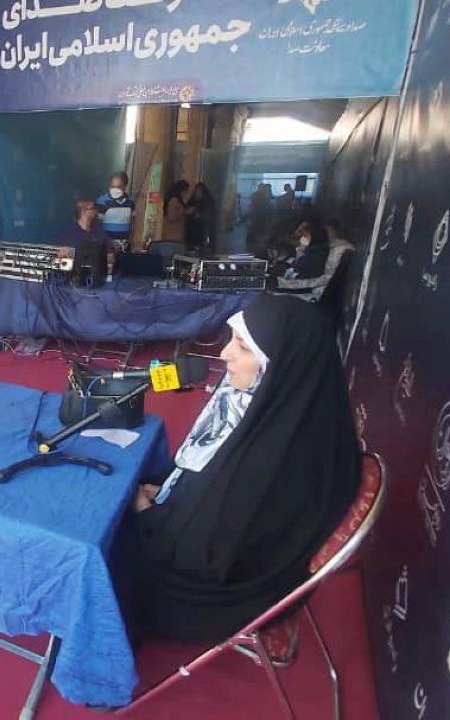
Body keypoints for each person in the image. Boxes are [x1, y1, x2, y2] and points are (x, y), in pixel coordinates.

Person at [116, 294, 361, 643]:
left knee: (104, 555)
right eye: (232, 339)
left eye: (243, 347)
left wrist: (147, 514)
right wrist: (174, 490)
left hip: (214, 595)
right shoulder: (292, 408)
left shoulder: (273, 461)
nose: (224, 353)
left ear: (279, 364)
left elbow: (201, 556)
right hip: (229, 549)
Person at [96, 172, 137, 247]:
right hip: (107, 245)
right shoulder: (103, 201)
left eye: (118, 187)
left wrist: (131, 240)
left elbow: (133, 222)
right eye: (112, 186)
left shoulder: (131, 201)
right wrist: (109, 242)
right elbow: (98, 225)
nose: (115, 189)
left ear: (125, 186)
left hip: (125, 244)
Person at [184, 182, 216, 256]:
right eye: (196, 191)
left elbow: (209, 217)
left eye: (199, 192)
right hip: (191, 234)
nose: (197, 194)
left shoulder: (207, 203)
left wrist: (199, 215)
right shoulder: (192, 201)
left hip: (203, 234)